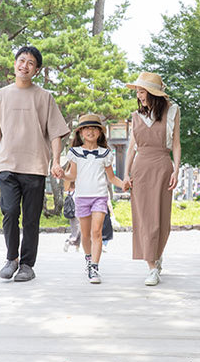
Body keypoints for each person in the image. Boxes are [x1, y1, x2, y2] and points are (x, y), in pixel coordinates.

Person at [0, 46, 70, 282]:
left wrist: (56, 161)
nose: (25, 65)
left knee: (31, 217)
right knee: (9, 212)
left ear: (37, 70)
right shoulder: (0, 96)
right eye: (21, 60)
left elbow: (55, 133)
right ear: (15, 64)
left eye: (31, 63)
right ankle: (12, 259)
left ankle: (27, 264)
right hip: (7, 164)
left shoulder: (44, 97)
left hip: (35, 165)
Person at [123, 72, 181, 286]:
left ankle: (157, 254)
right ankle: (151, 266)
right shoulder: (135, 116)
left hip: (163, 166)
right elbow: (131, 148)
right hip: (141, 168)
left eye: (142, 91)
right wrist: (125, 175)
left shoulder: (173, 111)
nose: (139, 95)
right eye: (137, 92)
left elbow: (176, 143)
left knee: (162, 219)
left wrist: (177, 169)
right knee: (144, 219)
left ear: (153, 94)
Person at [62, 113, 123, 284]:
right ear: (81, 133)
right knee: (86, 235)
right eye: (86, 128)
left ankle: (94, 267)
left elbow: (112, 178)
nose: (90, 131)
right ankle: (88, 259)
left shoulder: (105, 154)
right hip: (81, 198)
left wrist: (124, 184)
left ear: (100, 132)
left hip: (99, 197)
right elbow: (71, 175)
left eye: (94, 128)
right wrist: (62, 175)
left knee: (97, 232)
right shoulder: (75, 152)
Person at [63, 179, 81, 252]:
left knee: (78, 230)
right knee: (77, 230)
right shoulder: (77, 192)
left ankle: (77, 246)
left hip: (71, 213)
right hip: (77, 212)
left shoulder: (69, 192)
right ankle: (69, 242)